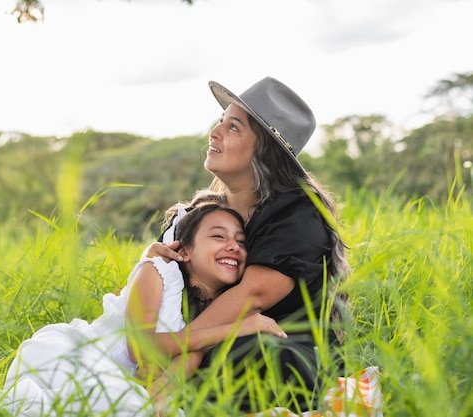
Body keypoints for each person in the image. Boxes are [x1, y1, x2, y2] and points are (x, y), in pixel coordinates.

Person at [0, 200, 288, 417]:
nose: (233, 246)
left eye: (241, 242)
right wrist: (241, 326)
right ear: (182, 251)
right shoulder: (157, 273)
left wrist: (159, 402)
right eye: (218, 236)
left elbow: (175, 372)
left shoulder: (206, 317)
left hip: (113, 385)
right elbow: (142, 350)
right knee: (120, 404)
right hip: (70, 356)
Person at [148, 76, 350, 413]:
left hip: (270, 351)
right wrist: (150, 265)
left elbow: (250, 298)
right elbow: (156, 296)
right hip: (197, 348)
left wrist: (170, 354)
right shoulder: (200, 214)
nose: (215, 133)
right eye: (220, 122)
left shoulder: (296, 213)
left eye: (234, 127)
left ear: (266, 151)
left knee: (258, 349)